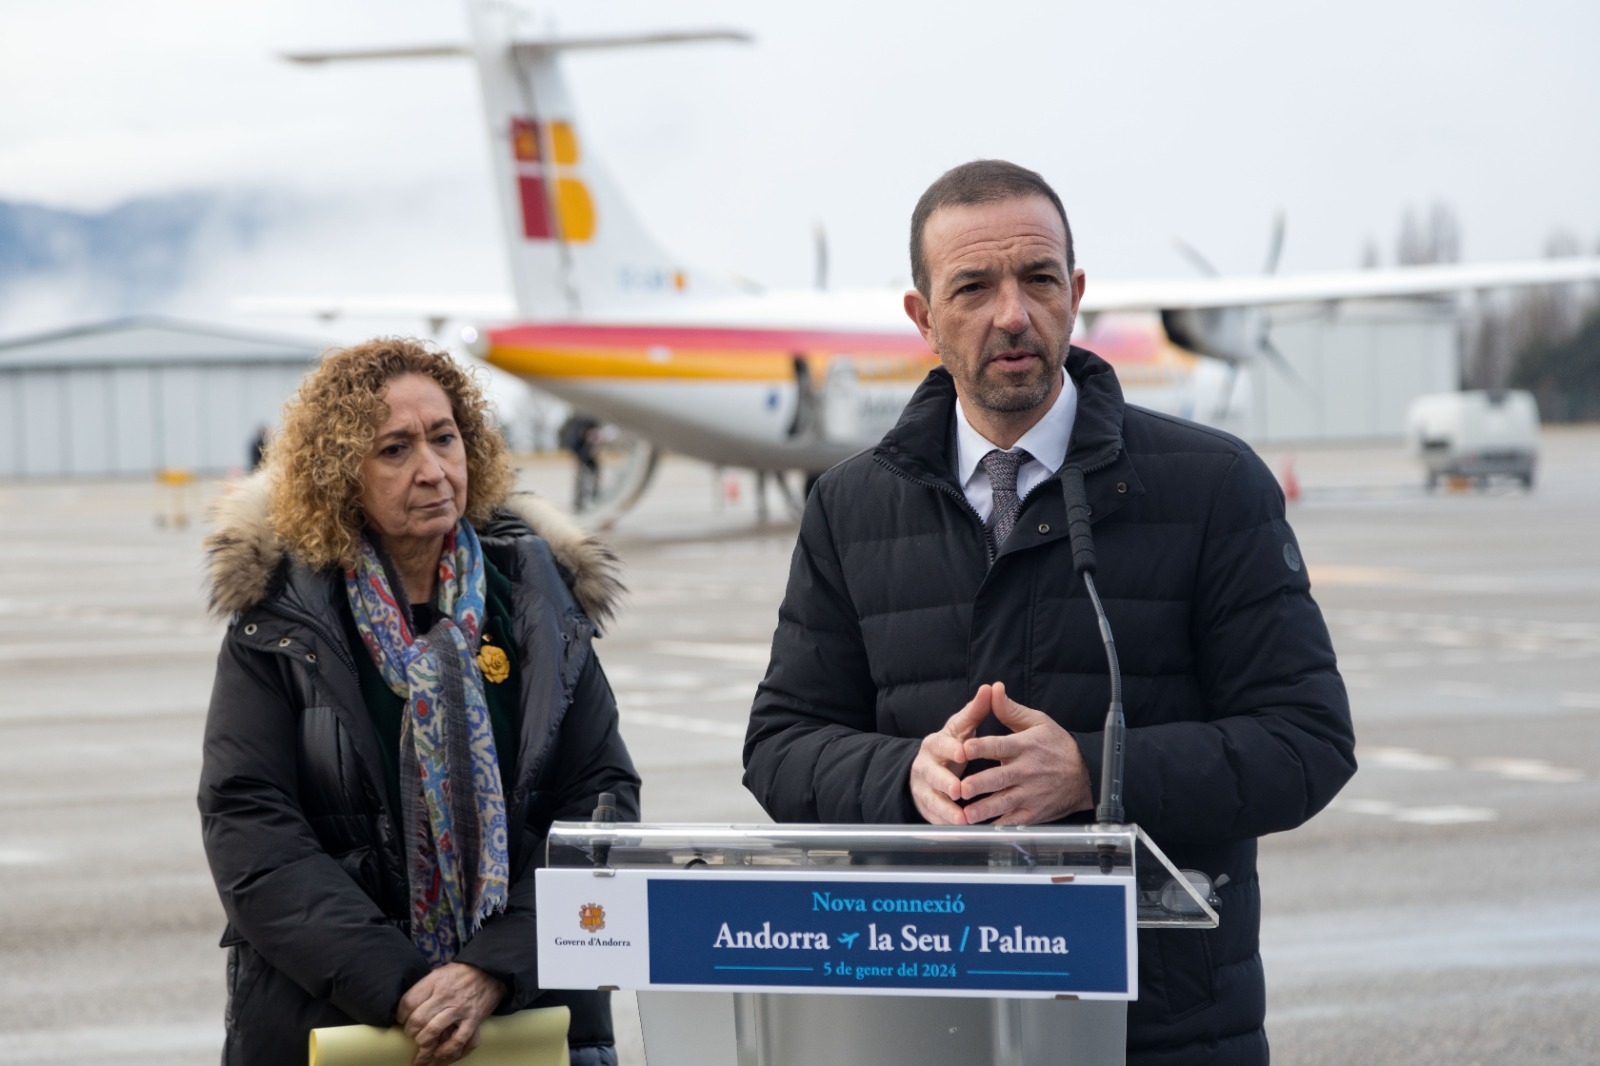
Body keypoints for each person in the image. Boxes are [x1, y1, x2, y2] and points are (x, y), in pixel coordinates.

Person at [742, 161, 1355, 1065]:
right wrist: (906, 776)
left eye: (1037, 280)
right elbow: (780, 746)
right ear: (922, 318)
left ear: (1075, 294)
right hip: (924, 1014)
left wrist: (1095, 774)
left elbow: (1307, 743)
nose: (1012, 314)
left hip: (1162, 1027)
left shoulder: (1213, 486)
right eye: (974, 287)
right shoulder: (850, 505)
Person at [199, 338, 639, 1066]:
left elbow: (603, 803)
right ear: (342, 474)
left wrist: (492, 969)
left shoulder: (540, 603)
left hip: (529, 1017)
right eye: (394, 450)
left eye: (445, 438)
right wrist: (401, 987)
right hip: (337, 1024)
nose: (433, 470)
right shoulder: (281, 620)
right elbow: (251, 829)